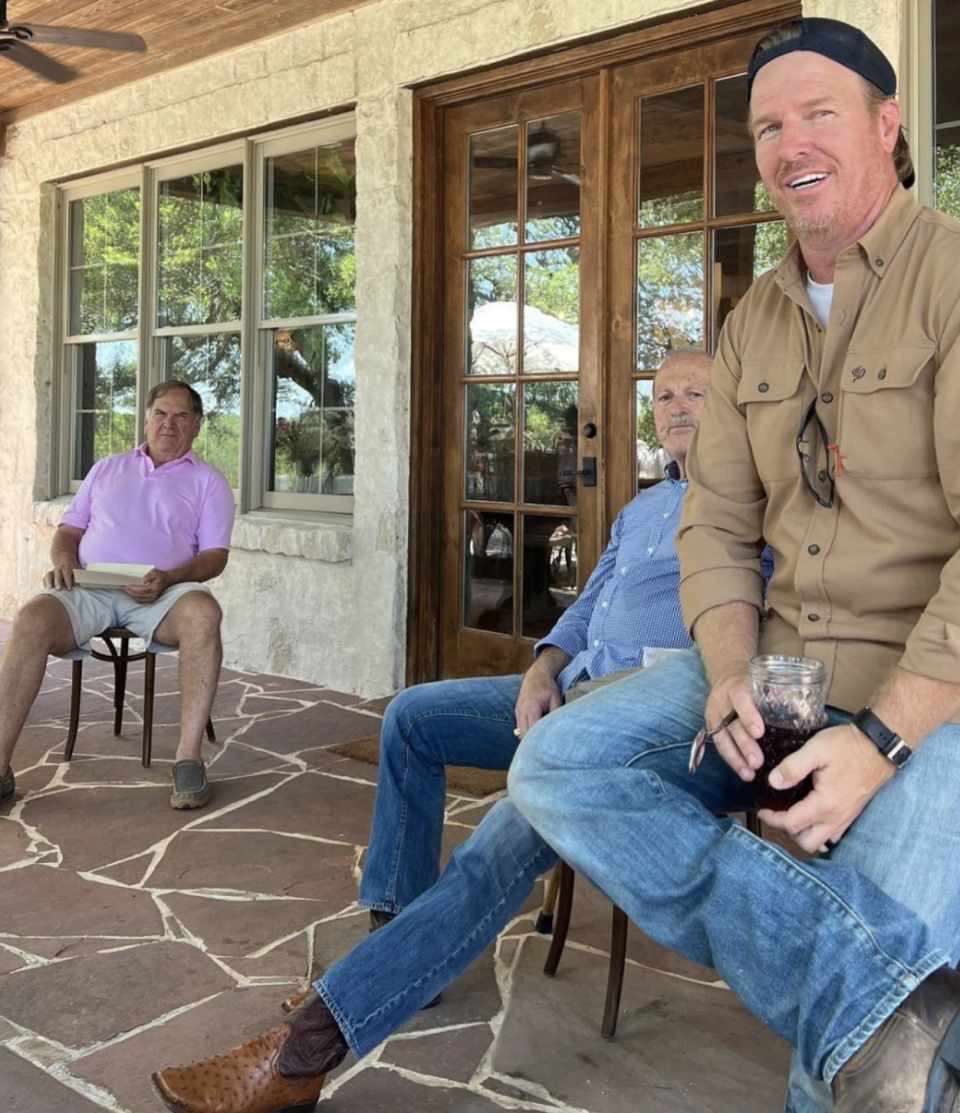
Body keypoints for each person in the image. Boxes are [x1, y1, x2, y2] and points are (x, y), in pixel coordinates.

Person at [151, 20, 960, 1113]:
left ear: (887, 124)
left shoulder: (950, 280)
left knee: (847, 1079)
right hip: (769, 668)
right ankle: (871, 986)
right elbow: (715, 528)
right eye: (767, 123)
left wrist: (886, 738)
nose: (787, 142)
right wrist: (725, 668)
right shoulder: (752, 324)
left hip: (927, 694)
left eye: (818, 113)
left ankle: (867, 1004)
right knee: (556, 772)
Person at [148, 352, 757, 1111]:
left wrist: (610, 698)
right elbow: (583, 606)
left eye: (695, 392)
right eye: (663, 394)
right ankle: (398, 924)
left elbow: (739, 634)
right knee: (413, 717)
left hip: (639, 718)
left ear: (731, 402)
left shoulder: (752, 505)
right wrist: (542, 670)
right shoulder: (638, 510)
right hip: (567, 691)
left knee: (499, 839)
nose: (675, 406)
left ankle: (308, 1048)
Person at [0, 380, 235, 812]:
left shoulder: (209, 482)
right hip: (91, 586)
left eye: (182, 416)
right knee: (32, 616)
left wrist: (168, 578)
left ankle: (188, 760)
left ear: (197, 426)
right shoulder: (107, 468)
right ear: (145, 420)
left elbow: (216, 557)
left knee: (204, 613)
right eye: (161, 413)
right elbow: (69, 530)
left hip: (164, 591)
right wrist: (66, 560)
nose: (169, 424)